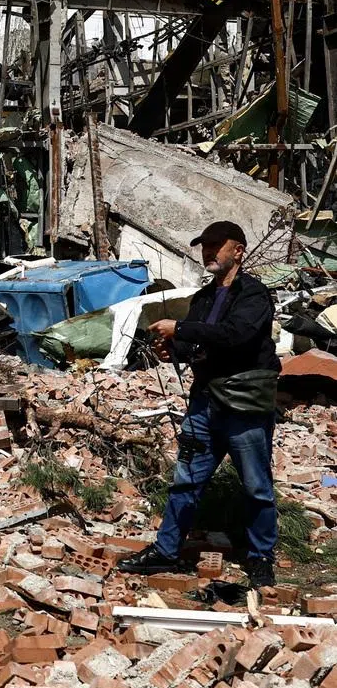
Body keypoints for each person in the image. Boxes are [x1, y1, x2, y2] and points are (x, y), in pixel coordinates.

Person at [117, 220, 281, 589]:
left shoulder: (254, 295)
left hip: (244, 406)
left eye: (216, 245)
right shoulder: (204, 297)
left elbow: (236, 336)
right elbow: (195, 345)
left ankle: (260, 559)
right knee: (185, 481)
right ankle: (167, 550)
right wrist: (171, 349)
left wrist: (181, 330)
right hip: (205, 403)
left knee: (256, 486)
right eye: (204, 245)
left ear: (237, 250)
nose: (208, 251)